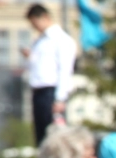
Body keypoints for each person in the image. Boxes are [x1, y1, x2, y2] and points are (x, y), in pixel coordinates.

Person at [24, 4, 77, 145]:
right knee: (41, 136)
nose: (34, 27)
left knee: (54, 137)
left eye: (35, 22)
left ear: (45, 17)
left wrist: (60, 98)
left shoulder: (61, 39)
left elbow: (65, 70)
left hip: (51, 92)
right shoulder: (39, 41)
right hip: (38, 92)